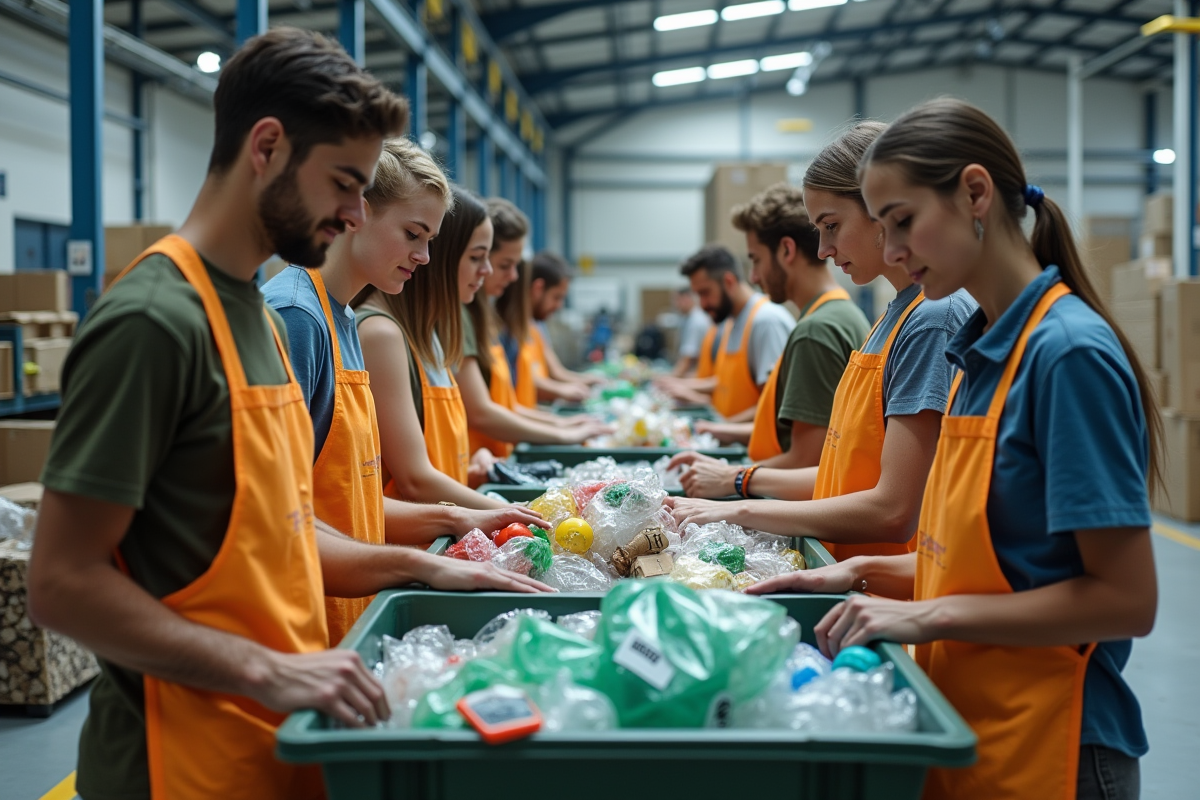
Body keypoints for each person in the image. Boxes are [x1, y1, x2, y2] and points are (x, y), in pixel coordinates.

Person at [26, 29, 547, 800]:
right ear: (266, 146)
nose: (351, 211)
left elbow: (288, 527)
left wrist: (424, 562)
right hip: (181, 759)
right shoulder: (154, 320)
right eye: (344, 183)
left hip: (281, 732)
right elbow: (62, 583)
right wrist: (265, 668)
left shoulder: (260, 319)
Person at [753, 99, 1159, 800]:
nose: (896, 250)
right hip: (972, 722)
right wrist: (856, 576)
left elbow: (1125, 599)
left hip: (1059, 745)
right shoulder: (978, 351)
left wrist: (928, 613)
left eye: (904, 222)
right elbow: (977, 562)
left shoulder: (1065, 356)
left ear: (975, 192)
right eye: (882, 229)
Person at [264, 138, 545, 644]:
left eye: (431, 240)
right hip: (299, 622)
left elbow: (352, 501)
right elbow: (275, 519)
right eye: (413, 234)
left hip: (350, 606)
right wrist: (423, 558)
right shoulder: (296, 318)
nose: (424, 256)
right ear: (355, 215)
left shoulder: (342, 319)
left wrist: (467, 518)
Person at [668, 121, 974, 563]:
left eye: (832, 226)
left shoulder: (932, 319)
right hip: (845, 573)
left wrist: (741, 504)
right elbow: (839, 472)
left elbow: (893, 510)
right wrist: (739, 485)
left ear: (884, 209)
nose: (825, 249)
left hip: (882, 594)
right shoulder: (892, 317)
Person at [670, 185, 870, 481]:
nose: (752, 277)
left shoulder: (816, 330)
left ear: (787, 250)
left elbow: (807, 461)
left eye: (756, 259)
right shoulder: (838, 313)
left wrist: (730, 476)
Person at [354, 185, 504, 492]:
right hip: (419, 540)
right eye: (477, 257)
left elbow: (432, 464)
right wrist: (511, 512)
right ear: (443, 257)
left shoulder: (431, 337)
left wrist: (471, 465)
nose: (486, 271)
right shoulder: (381, 334)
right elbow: (414, 481)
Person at [459, 199, 611, 458]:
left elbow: (506, 405)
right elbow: (482, 412)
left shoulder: (486, 322)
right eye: (505, 265)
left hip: (493, 456)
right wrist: (560, 431)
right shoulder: (461, 322)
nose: (513, 277)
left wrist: (560, 423)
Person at [658, 244, 795, 419]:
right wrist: (686, 388)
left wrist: (720, 427)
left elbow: (775, 405)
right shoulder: (730, 322)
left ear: (729, 282)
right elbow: (728, 383)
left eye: (705, 293)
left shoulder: (766, 322)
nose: (702, 304)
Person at [509, 251, 603, 406]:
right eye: (556, 297)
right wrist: (564, 390)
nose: (559, 306)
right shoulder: (509, 332)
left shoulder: (535, 327)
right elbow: (524, 381)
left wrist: (587, 381)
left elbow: (556, 371)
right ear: (538, 288)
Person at [671, 287, 715, 378]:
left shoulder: (696, 321)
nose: (676, 305)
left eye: (677, 300)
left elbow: (687, 360)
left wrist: (670, 378)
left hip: (701, 374)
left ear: (686, 299)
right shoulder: (687, 318)